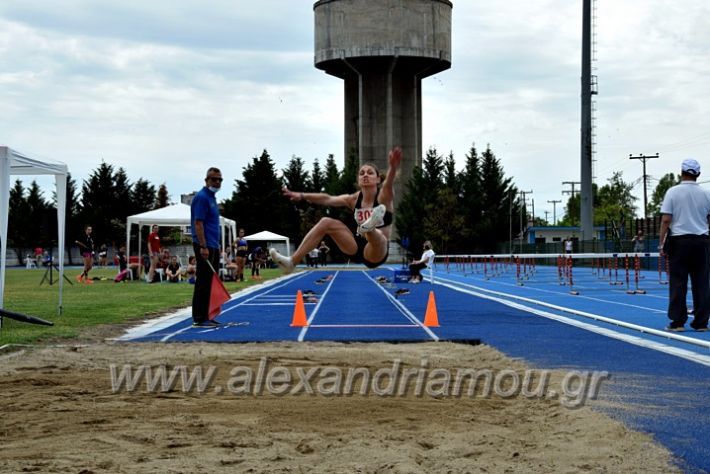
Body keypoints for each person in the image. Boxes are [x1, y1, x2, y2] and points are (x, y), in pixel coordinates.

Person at [270, 146, 402, 272]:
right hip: (355, 247)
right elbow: (327, 199)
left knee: (377, 236)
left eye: (370, 173)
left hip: (377, 251)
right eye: (362, 173)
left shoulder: (383, 197)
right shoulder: (353, 200)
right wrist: (302, 195)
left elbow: (388, 185)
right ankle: (292, 262)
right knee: (326, 222)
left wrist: (393, 168)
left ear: (378, 179)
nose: (365, 175)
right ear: (358, 179)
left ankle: (369, 227)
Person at [659, 158, 710, 332]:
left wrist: (661, 243)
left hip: (679, 241)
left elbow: (666, 219)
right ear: (698, 174)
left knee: (678, 282)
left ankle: (678, 321)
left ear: (681, 172)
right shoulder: (706, 193)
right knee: (702, 282)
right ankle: (701, 322)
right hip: (701, 240)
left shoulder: (673, 192)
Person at [190, 167, 223, 327]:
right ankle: (199, 317)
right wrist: (203, 246)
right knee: (203, 281)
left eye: (219, 179)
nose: (217, 182)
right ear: (206, 180)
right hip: (204, 246)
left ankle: (208, 314)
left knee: (211, 281)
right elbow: (198, 223)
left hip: (213, 245)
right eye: (214, 179)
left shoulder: (212, 198)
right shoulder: (202, 198)